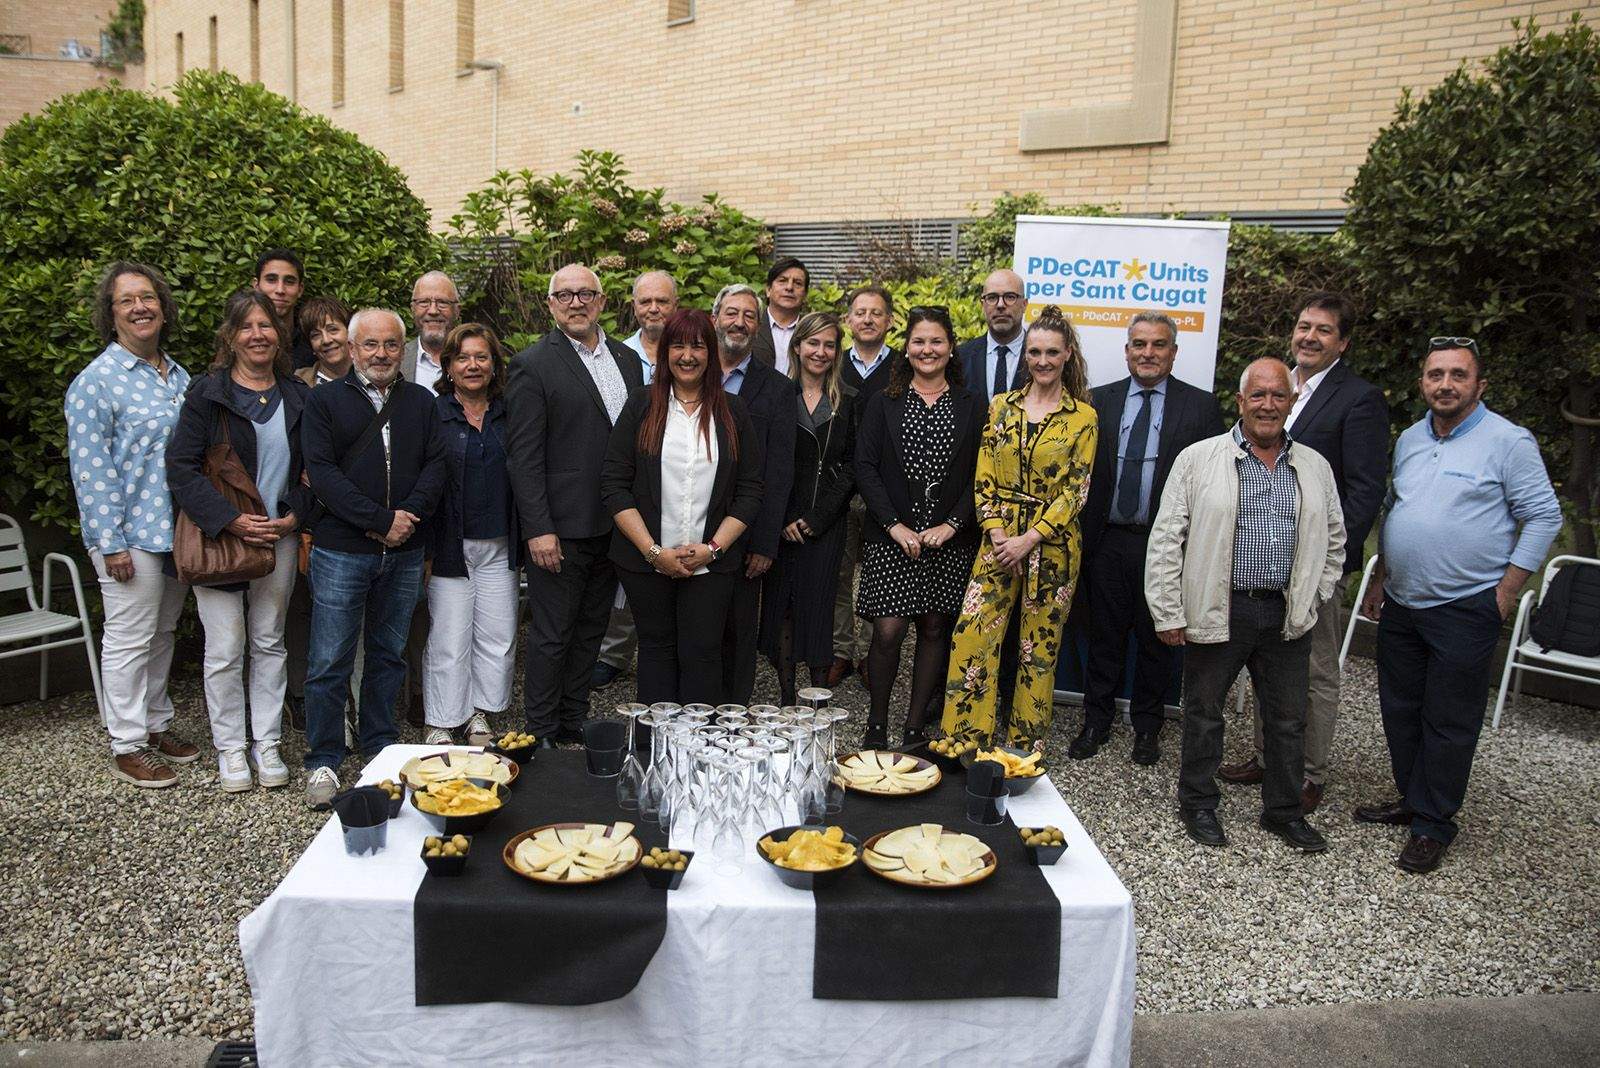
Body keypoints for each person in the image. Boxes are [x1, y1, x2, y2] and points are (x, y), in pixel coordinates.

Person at [1355, 338, 1560, 874]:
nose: (1445, 385)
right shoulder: (1411, 439)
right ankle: (1412, 797)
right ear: (1423, 383)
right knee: (1400, 709)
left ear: (1479, 385)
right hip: (1403, 601)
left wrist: (1507, 590)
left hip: (1465, 605)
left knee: (1449, 718)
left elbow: (1544, 516)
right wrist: (1381, 577)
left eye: (1457, 375)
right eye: (1435, 375)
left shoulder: (1509, 442)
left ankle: (1434, 823)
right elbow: (1396, 510)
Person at [1145, 358, 1345, 854]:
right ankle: (1198, 803)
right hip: (1221, 607)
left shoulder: (1314, 467)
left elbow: (1334, 540)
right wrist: (1168, 610)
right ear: (1240, 401)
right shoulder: (1198, 459)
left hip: (1286, 613)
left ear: (1291, 402)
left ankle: (1284, 812)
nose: (1268, 405)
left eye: (1278, 396)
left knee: (1287, 720)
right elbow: (1167, 539)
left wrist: (1315, 596)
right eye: (1258, 395)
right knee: (1204, 712)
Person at [1220, 292, 1388, 812]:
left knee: (1313, 672)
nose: (1310, 337)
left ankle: (1308, 772)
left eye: (1323, 329)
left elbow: (1363, 491)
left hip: (1314, 568)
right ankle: (1267, 757)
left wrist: (1327, 564)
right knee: (1267, 666)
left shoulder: (1358, 399)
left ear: (1343, 343)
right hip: (1261, 565)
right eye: (1303, 326)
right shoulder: (1276, 385)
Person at [299, 308, 447, 808]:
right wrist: (379, 520)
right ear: (352, 348)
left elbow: (436, 466)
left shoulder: (421, 402)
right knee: (329, 660)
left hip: (404, 550)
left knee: (388, 654)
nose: (381, 354)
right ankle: (323, 758)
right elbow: (322, 474)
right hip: (343, 549)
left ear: (402, 349)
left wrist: (407, 518)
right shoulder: (324, 402)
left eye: (390, 345)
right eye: (370, 344)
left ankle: (379, 748)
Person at [166, 291, 310, 792]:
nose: (257, 335)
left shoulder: (297, 395)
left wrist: (294, 516)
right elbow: (181, 468)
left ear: (279, 335)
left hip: (279, 538)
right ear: (230, 336)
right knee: (226, 647)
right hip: (223, 540)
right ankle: (230, 747)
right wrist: (230, 520)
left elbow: (313, 469)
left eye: (265, 325)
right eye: (246, 326)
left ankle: (266, 742)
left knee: (269, 641)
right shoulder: (208, 395)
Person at [65, 262, 199, 788]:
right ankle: (126, 742)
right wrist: (109, 543)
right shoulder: (96, 382)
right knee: (128, 638)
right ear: (111, 313)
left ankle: (155, 722)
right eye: (127, 300)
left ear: (163, 308)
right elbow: (90, 469)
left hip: (176, 531)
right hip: (128, 537)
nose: (140, 307)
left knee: (162, 633)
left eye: (148, 298)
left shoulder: (179, 376)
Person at [941, 306, 1098, 747]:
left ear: (1067, 355)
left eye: (1052, 352)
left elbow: (1076, 491)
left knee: (1037, 650)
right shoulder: (1001, 406)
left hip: (1052, 547)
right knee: (972, 634)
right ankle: (964, 739)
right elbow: (984, 475)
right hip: (999, 540)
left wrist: (1028, 540)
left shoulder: (1083, 417)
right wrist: (998, 536)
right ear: (1025, 355)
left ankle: (1025, 748)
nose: (1042, 361)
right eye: (1034, 352)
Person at [1074, 312, 1225, 764]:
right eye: (1139, 344)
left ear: (1174, 353)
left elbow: (1212, 481)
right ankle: (1096, 721)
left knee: (1157, 640)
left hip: (1164, 546)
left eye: (1158, 345)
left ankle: (1147, 728)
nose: (1148, 353)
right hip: (1106, 541)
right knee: (1103, 637)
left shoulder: (1200, 407)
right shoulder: (1097, 401)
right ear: (1126, 351)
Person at [505, 264, 645, 746]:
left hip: (615, 524)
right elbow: (524, 456)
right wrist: (538, 528)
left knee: (591, 629)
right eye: (564, 295)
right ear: (551, 305)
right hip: (560, 528)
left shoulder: (627, 360)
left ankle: (571, 717)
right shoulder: (532, 364)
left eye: (586, 293)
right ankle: (541, 729)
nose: (576, 303)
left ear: (602, 301)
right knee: (552, 634)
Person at [602, 309, 762, 704]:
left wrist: (713, 549)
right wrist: (654, 552)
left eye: (697, 346)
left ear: (711, 353)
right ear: (664, 353)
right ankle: (656, 739)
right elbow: (614, 484)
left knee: (703, 653)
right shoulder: (641, 406)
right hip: (645, 562)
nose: (687, 356)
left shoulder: (733, 411)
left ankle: (698, 741)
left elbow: (750, 490)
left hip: (710, 563)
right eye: (677, 346)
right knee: (656, 651)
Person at [854, 306, 984, 749]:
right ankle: (876, 723)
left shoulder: (973, 405)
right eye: (919, 341)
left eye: (936, 341)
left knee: (933, 629)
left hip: (949, 542)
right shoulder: (883, 402)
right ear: (906, 349)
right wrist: (894, 525)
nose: (927, 349)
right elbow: (865, 467)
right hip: (893, 539)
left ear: (951, 348)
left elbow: (981, 474)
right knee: (888, 631)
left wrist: (953, 524)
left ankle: (913, 728)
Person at [423, 324, 521, 747]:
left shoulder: (509, 412)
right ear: (448, 365)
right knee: (450, 636)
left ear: (494, 364)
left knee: (497, 636)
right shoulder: (434, 413)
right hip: (450, 543)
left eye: (482, 357)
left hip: (500, 542)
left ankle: (478, 713)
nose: (473, 365)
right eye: (462, 358)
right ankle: (441, 721)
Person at [760, 312, 858, 706]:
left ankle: (817, 700)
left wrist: (818, 519)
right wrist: (783, 517)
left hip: (825, 522)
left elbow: (852, 467)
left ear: (837, 351)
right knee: (783, 607)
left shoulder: (849, 400)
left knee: (820, 609)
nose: (820, 352)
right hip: (783, 521)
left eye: (829, 344)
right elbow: (767, 462)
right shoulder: (777, 395)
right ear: (797, 346)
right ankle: (787, 697)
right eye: (813, 343)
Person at [595, 269, 680, 689]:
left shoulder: (688, 351)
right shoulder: (616, 355)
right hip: (628, 475)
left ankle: (663, 654)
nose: (654, 309)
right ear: (633, 306)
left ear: (675, 306)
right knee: (627, 570)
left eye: (662, 301)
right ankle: (614, 653)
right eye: (645, 301)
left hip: (678, 477)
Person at [712, 283, 796, 705]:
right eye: (732, 313)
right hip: (689, 525)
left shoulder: (777, 389)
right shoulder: (690, 374)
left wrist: (765, 544)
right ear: (714, 319)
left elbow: (779, 472)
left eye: (749, 316)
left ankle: (732, 711)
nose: (739, 322)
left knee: (737, 629)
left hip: (746, 533)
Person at [956, 269, 1031, 722]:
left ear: (1024, 303)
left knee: (1015, 611)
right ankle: (959, 693)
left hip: (1022, 512)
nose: (1000, 305)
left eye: (1009, 297)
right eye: (992, 297)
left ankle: (1004, 700)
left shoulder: (1041, 356)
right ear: (982, 304)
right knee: (963, 607)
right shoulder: (961, 356)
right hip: (965, 501)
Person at [284, 295, 354, 733]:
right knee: (310, 615)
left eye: (333, 329)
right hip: (313, 516)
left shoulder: (375, 376)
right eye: (315, 333)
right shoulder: (298, 385)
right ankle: (313, 706)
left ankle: (357, 712)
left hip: (362, 515)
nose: (326, 340)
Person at [397, 271, 462, 727]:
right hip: (410, 498)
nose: (433, 310)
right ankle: (412, 691)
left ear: (456, 309)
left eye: (442, 302)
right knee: (410, 603)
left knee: (450, 603)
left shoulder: (475, 352)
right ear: (413, 309)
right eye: (425, 302)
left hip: (463, 496)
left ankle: (440, 694)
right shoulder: (394, 356)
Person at [828, 284, 899, 689]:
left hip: (885, 490)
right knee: (838, 572)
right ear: (848, 320)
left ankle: (873, 655)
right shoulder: (833, 362)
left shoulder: (904, 366)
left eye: (876, 313)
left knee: (879, 574)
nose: (868, 319)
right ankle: (840, 650)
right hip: (840, 488)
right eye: (860, 312)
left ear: (890, 321)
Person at [253, 250, 313, 369]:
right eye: (271, 280)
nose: (280, 290)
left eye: (289, 282)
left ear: (300, 289)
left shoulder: (313, 342)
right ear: (256, 286)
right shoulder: (240, 340)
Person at [751, 257, 809, 375]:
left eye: (798, 283)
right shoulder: (751, 324)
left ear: (805, 295)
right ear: (768, 290)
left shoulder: (811, 330)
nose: (789, 287)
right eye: (782, 281)